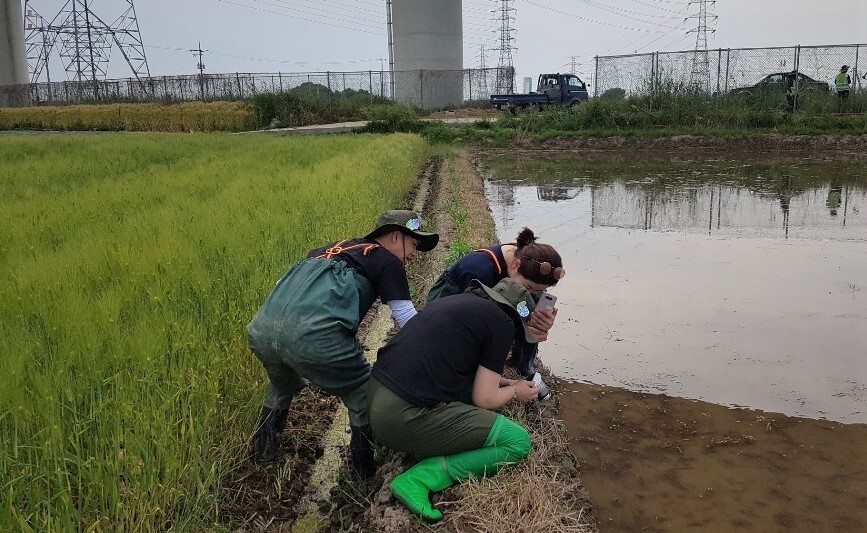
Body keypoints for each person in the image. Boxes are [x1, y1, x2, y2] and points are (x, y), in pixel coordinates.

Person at [245, 210, 439, 475]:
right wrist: (437, 350)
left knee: (281, 384)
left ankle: (263, 453)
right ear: (396, 236)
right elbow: (406, 318)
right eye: (414, 245)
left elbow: (283, 284)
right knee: (362, 390)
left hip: (262, 331)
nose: (413, 254)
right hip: (313, 340)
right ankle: (364, 471)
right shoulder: (386, 261)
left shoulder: (327, 250)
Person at [368, 278, 543, 522]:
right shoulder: (502, 323)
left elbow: (465, 371)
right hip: (402, 416)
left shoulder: (459, 304)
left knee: (467, 398)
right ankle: (419, 478)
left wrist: (508, 383)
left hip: (377, 399)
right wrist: (516, 393)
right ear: (516, 317)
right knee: (517, 442)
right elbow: (485, 398)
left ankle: (430, 445)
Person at [426, 227, 563, 377]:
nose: (531, 294)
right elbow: (473, 319)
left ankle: (524, 367)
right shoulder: (478, 269)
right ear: (515, 265)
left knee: (532, 312)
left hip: (491, 301)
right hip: (454, 304)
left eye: (539, 290)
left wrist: (541, 324)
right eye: (529, 288)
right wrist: (521, 326)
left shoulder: (528, 263)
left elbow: (527, 297)